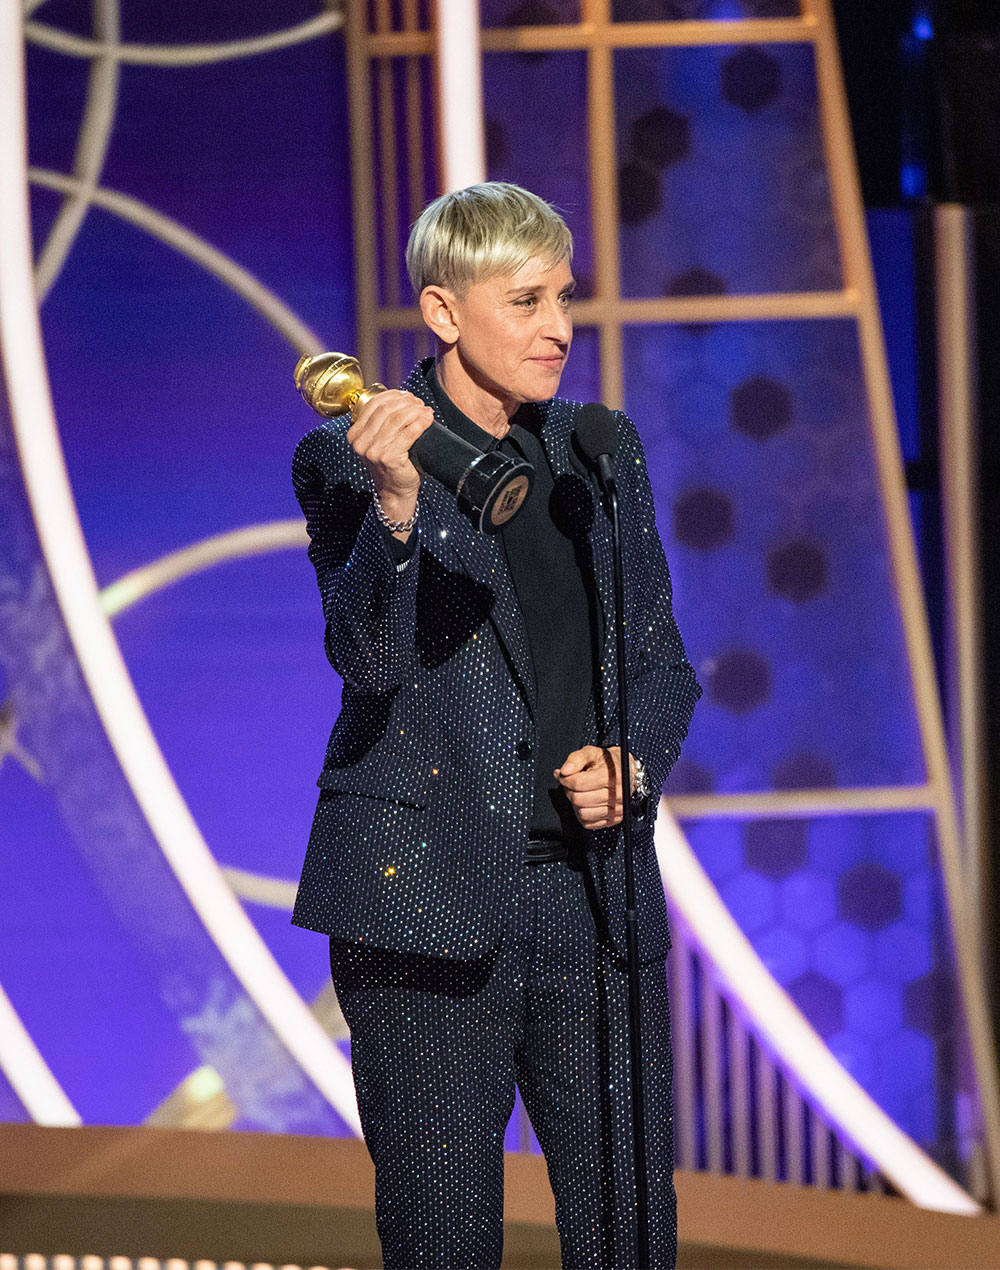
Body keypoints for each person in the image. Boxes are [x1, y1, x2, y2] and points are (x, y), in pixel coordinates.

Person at [292, 182, 700, 1269]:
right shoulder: (345, 454)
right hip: (423, 904)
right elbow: (369, 658)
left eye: (564, 297)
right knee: (444, 1239)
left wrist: (634, 764)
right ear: (443, 311)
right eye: (525, 301)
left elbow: (661, 665)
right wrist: (395, 508)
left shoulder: (599, 451)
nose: (558, 326)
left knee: (629, 1237)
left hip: (594, 900)